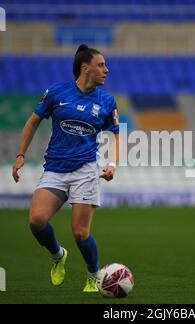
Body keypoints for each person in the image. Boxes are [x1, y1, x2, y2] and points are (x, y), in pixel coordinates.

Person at [12, 44, 120, 292]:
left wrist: (112, 164)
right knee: (36, 222)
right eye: (101, 65)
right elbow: (32, 123)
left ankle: (93, 275)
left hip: (85, 171)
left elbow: (115, 135)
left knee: (81, 233)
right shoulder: (56, 92)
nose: (106, 69)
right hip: (55, 169)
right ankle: (58, 254)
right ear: (86, 68)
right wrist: (20, 155)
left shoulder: (106, 100)